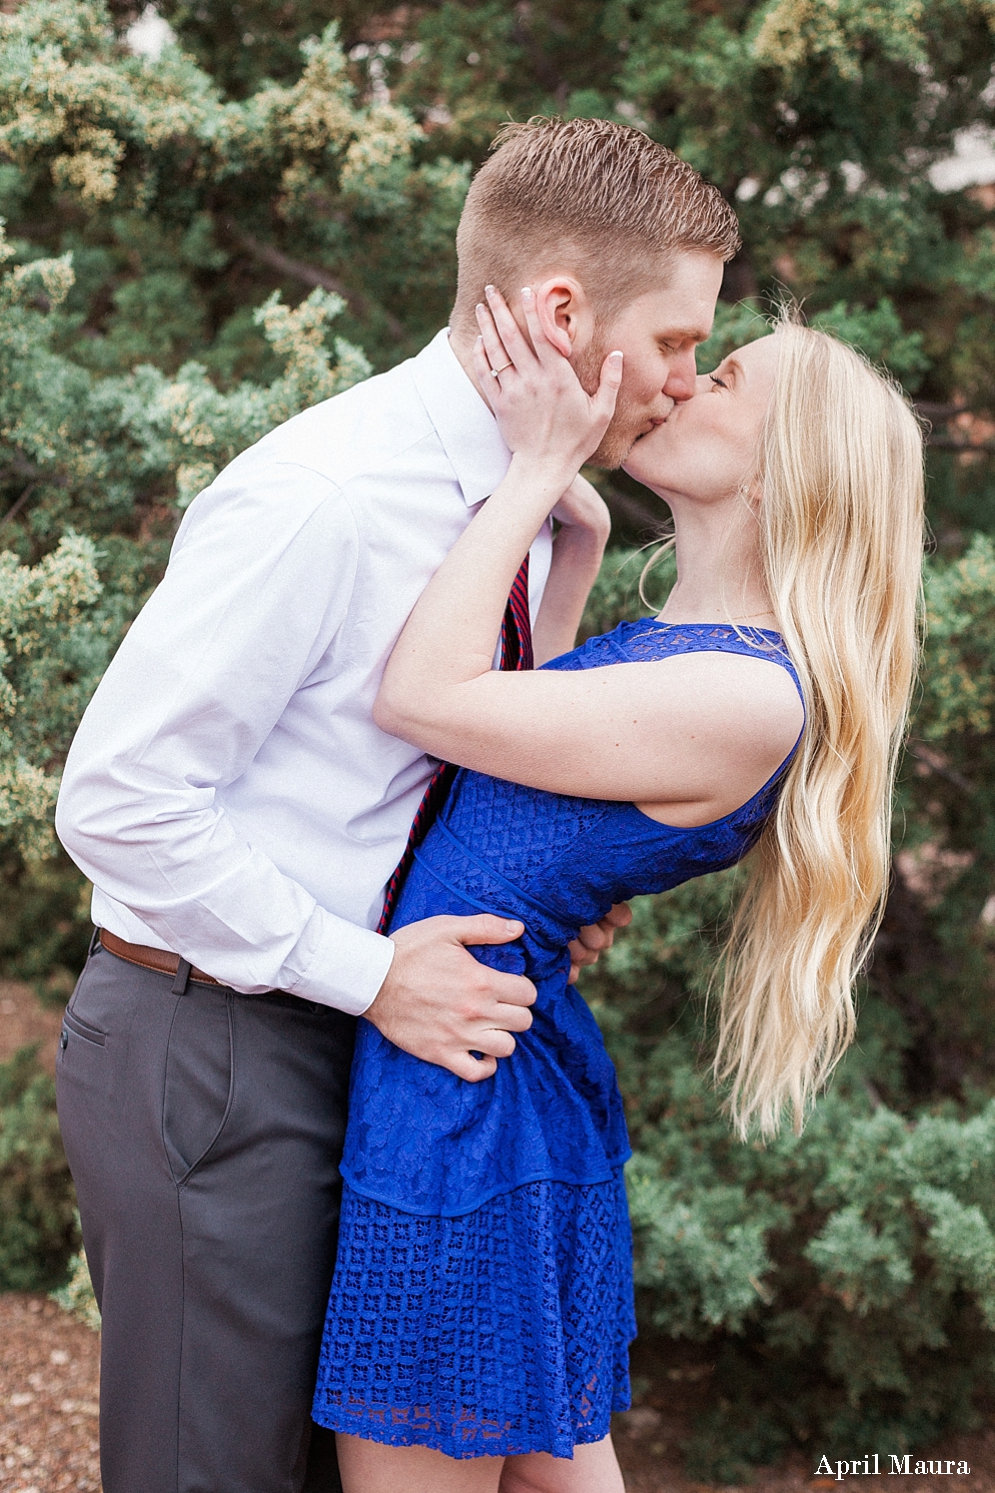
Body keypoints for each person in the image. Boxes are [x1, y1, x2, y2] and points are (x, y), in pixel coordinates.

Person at [52, 118, 740, 1493]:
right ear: (559, 312)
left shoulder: (540, 517)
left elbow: (440, 791)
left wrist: (518, 912)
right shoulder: (325, 496)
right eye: (673, 339)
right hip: (214, 1046)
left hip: (375, 1052)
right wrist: (372, 974)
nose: (681, 380)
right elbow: (118, 799)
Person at [309, 289, 925, 1492]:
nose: (688, 380)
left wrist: (537, 468)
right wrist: (576, 539)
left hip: (464, 1106)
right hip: (482, 1063)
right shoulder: (688, 643)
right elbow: (523, 756)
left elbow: (426, 699)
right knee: (555, 1466)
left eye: (729, 375)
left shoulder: (745, 691)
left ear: (782, 468)